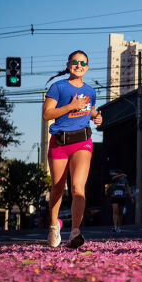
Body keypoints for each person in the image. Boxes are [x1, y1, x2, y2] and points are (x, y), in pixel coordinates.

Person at [42, 50, 102, 248]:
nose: (79, 65)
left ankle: (75, 231)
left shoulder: (91, 91)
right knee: (58, 186)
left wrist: (96, 117)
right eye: (75, 62)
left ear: (87, 67)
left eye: (83, 63)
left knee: (77, 187)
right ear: (69, 65)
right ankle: (53, 225)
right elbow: (47, 114)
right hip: (60, 142)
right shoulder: (57, 87)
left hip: (82, 141)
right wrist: (71, 106)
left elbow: (89, 109)